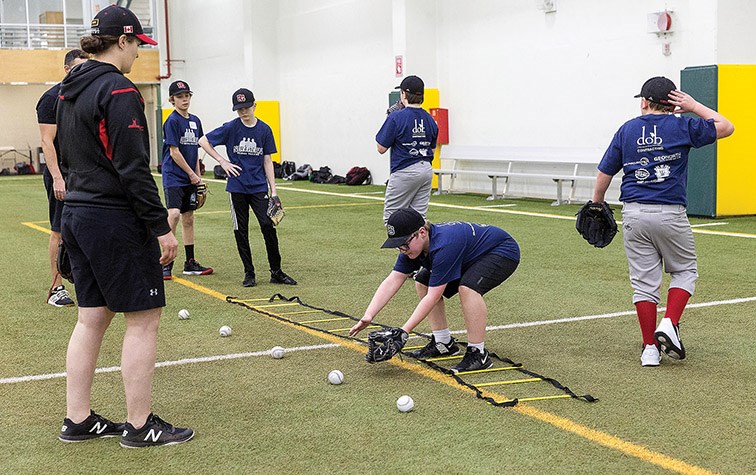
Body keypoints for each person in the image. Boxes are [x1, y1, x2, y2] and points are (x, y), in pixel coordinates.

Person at [55, 5, 193, 447]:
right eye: (137, 45)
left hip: (77, 213)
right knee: (144, 318)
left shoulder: (66, 89)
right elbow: (132, 168)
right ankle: (139, 425)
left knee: (91, 317)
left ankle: (78, 419)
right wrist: (161, 227)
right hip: (112, 218)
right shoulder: (118, 90)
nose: (139, 54)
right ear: (122, 41)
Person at [592, 76, 734, 367]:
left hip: (633, 212)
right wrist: (694, 106)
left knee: (644, 285)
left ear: (644, 102)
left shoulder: (627, 130)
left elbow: (605, 172)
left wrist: (597, 203)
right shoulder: (683, 125)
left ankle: (649, 350)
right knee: (684, 271)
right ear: (673, 104)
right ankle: (669, 322)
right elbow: (726, 126)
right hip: (669, 212)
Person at [349, 208, 520, 373]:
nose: (402, 250)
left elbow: (433, 296)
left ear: (422, 233)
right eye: (398, 246)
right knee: (422, 280)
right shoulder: (413, 247)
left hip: (501, 251)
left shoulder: (444, 246)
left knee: (468, 287)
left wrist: (404, 332)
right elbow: (394, 279)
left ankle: (478, 353)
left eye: (404, 244)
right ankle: (443, 342)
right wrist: (368, 315)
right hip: (469, 256)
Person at [198, 88, 297, 287]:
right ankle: (249, 273)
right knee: (240, 230)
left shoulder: (264, 130)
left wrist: (274, 192)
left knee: (268, 226)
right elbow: (203, 141)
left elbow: (267, 161)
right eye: (239, 109)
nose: (243, 112)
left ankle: (276, 271)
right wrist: (222, 162)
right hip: (237, 188)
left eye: (246, 107)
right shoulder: (231, 127)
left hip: (259, 187)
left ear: (254, 105)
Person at [36, 49, 88, 307]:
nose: (83, 71)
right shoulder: (50, 98)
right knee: (59, 230)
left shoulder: (87, 95)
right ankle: (57, 288)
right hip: (62, 174)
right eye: (78, 67)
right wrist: (57, 178)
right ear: (67, 69)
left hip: (85, 173)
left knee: (89, 225)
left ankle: (88, 278)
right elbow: (47, 141)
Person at [160, 79, 213, 280]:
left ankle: (190, 262)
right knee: (173, 215)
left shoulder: (195, 121)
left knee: (189, 218)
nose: (184, 99)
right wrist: (191, 173)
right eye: (180, 97)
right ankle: (166, 262)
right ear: (172, 100)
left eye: (187, 96)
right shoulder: (172, 121)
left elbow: (195, 149)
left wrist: (197, 172)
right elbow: (174, 152)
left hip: (190, 177)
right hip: (174, 176)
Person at [375, 75, 439, 224]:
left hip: (405, 170)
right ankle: (422, 247)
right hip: (426, 169)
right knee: (418, 219)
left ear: (403, 94)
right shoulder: (430, 118)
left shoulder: (396, 117)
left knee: (393, 219)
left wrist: (389, 117)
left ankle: (402, 248)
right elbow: (433, 150)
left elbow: (381, 148)